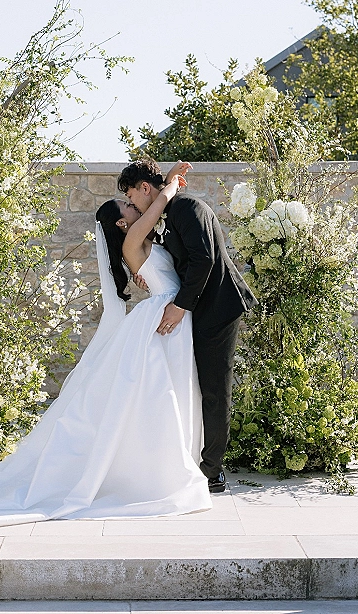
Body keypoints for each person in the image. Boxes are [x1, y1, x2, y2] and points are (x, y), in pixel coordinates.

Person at [0, 171, 211, 531]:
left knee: (167, 393)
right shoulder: (132, 239)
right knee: (162, 393)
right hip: (165, 316)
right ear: (122, 223)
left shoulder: (143, 239)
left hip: (168, 312)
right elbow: (161, 203)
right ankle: (161, 471)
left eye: (130, 198)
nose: (133, 204)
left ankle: (165, 462)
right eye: (127, 204)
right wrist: (168, 183)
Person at [118, 159, 256, 493]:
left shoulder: (189, 208)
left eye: (131, 195)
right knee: (196, 385)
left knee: (214, 388)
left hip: (216, 310)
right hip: (195, 312)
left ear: (144, 188)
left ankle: (212, 471)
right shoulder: (167, 211)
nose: (131, 202)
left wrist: (180, 306)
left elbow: (203, 259)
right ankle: (193, 459)